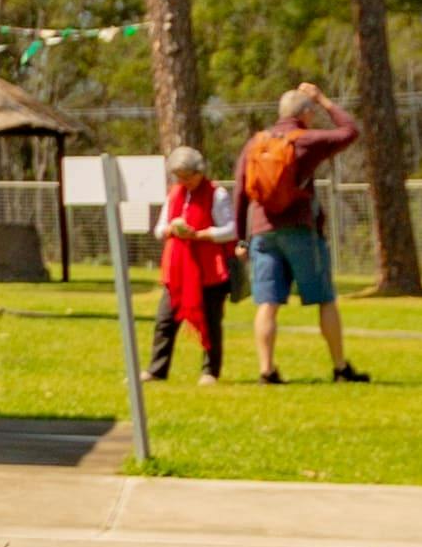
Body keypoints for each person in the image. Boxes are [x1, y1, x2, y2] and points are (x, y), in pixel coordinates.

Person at [239, 80, 369, 382]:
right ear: (306, 114)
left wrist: (242, 239)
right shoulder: (305, 141)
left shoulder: (256, 143)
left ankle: (266, 370)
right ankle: (340, 366)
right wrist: (323, 99)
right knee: (324, 298)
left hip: (262, 232)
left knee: (267, 303)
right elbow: (350, 131)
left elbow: (240, 193)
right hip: (299, 230)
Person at [149, 145, 229, 381]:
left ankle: (210, 371)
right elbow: (159, 229)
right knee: (165, 321)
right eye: (179, 177)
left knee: (211, 322)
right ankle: (156, 370)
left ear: (200, 172)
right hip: (177, 270)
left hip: (208, 268)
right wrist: (171, 229)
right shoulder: (174, 194)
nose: (184, 182)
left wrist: (202, 234)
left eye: (188, 177)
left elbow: (231, 229)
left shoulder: (217, 194)